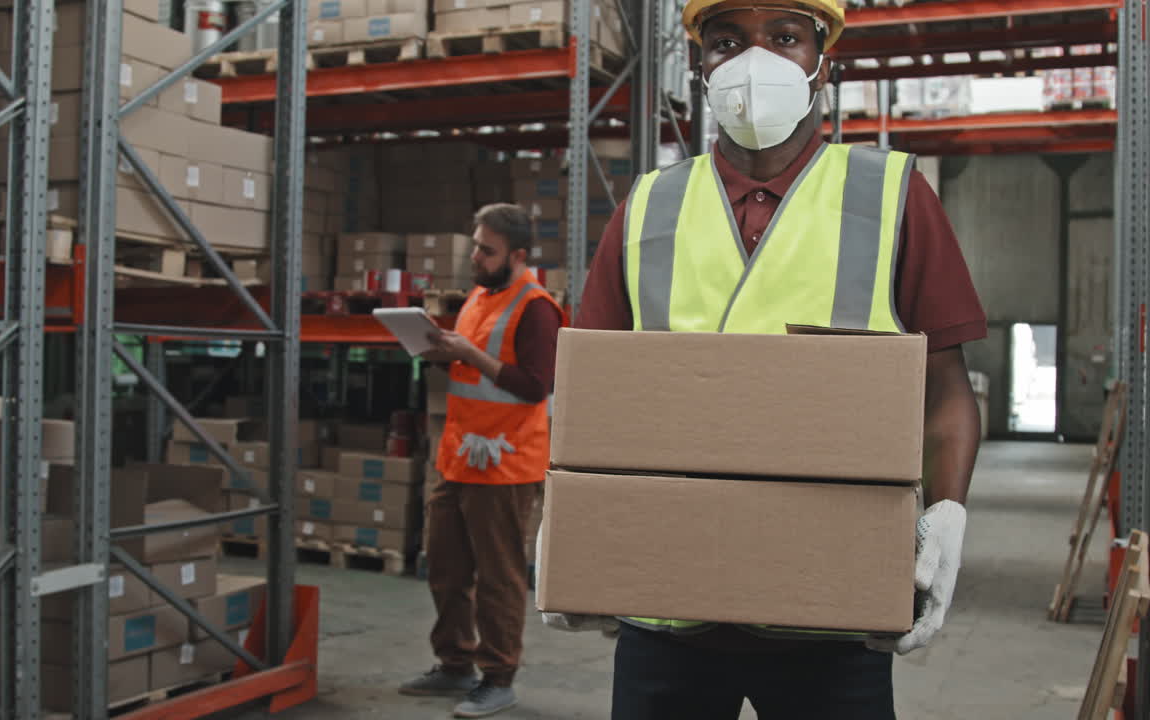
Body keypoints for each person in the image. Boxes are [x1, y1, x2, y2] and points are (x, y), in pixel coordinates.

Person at [547, 2, 987, 718]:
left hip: (831, 611)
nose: (755, 60)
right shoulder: (649, 204)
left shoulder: (892, 195)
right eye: (727, 42)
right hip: (667, 610)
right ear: (701, 69)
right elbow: (590, 389)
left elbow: (946, 386)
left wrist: (947, 514)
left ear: (822, 64)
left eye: (784, 37)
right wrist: (569, 516)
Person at [400, 203, 564, 718]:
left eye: (485, 249)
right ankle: (454, 665)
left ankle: (498, 677)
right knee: (446, 568)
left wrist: (468, 354)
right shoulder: (479, 295)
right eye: (475, 244)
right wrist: (438, 349)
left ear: (516, 255)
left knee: (499, 578)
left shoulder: (536, 307)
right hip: (459, 456)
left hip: (507, 465)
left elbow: (537, 386)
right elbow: (471, 360)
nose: (475, 255)